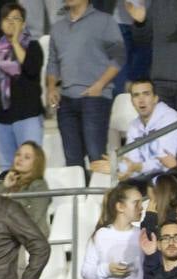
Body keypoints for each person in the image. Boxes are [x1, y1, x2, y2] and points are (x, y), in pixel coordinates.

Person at [45, 0, 124, 169]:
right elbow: (52, 62)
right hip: (65, 101)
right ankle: (78, 196)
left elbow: (119, 57)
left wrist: (99, 85)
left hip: (95, 99)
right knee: (72, 161)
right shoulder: (57, 27)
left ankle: (100, 195)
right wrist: (51, 87)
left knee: (97, 156)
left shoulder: (105, 21)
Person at [0, 4, 44, 173]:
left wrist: (14, 42)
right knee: (6, 168)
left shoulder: (32, 46)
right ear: (0, 24)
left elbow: (31, 68)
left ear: (24, 23)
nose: (11, 23)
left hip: (27, 115)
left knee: (31, 167)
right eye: (6, 19)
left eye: (16, 18)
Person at [113, 80, 177, 180]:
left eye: (146, 94)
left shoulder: (170, 119)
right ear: (132, 101)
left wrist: (136, 167)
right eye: (136, 95)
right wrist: (117, 168)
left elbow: (164, 163)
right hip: (147, 176)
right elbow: (132, 160)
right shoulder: (134, 126)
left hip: (173, 176)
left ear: (155, 98)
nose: (141, 100)